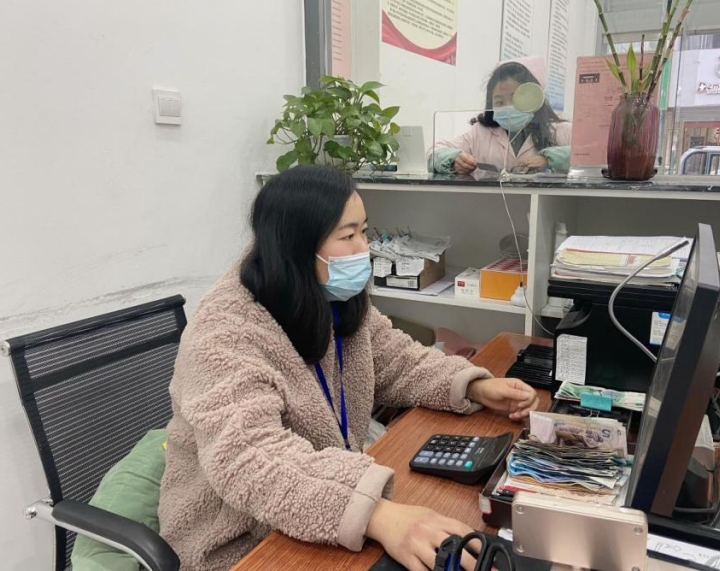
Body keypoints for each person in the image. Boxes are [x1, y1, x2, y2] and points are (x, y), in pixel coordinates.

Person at [159, 166, 539, 571]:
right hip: (239, 541)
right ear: (298, 244)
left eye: (364, 231)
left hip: (328, 504)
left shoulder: (327, 293)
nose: (364, 248)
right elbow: (249, 459)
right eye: (347, 236)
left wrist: (472, 385)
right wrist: (376, 513)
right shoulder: (225, 333)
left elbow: (396, 359)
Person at [430, 57, 572, 174]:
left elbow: (585, 156)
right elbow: (432, 152)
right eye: (499, 102)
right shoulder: (480, 133)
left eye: (515, 99)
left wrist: (550, 160)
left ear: (533, 99)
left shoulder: (560, 131)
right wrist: (453, 159)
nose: (508, 107)